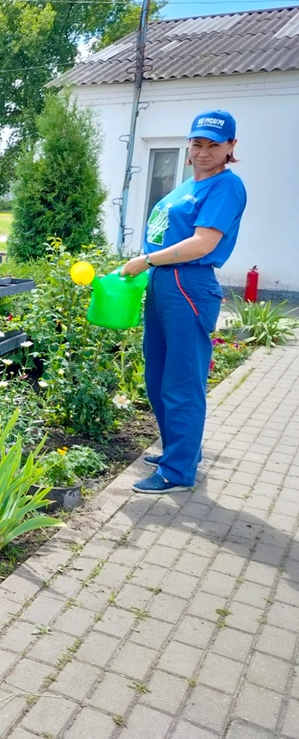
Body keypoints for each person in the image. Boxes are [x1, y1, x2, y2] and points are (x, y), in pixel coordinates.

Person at [120, 109, 246, 494]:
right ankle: (180, 451)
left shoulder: (226, 186)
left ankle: (178, 472)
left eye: (214, 145)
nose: (204, 151)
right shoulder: (184, 187)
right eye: (197, 144)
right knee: (157, 377)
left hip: (189, 285)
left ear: (230, 147)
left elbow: (202, 243)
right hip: (163, 282)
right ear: (188, 147)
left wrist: (146, 260)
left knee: (182, 381)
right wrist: (145, 265)